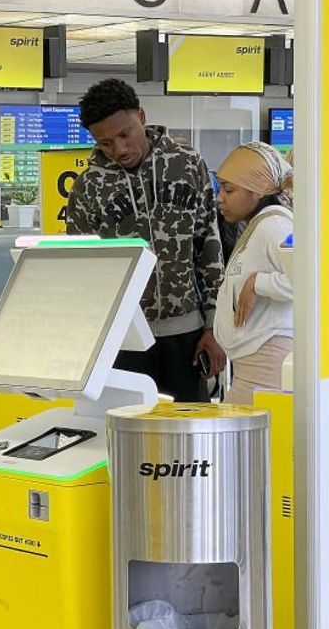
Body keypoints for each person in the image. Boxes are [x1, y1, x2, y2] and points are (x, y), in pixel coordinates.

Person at [65, 79, 226, 402]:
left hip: (187, 334)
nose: (120, 150)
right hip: (123, 338)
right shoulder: (88, 187)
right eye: (106, 142)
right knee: (131, 435)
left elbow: (208, 246)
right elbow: (82, 273)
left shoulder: (188, 164)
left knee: (189, 434)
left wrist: (214, 326)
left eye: (125, 135)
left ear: (141, 115)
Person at [212, 142, 294, 405]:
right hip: (253, 365)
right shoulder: (259, 227)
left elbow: (310, 279)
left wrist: (258, 282)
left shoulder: (275, 226)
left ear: (257, 192)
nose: (219, 198)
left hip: (267, 364)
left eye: (229, 190)